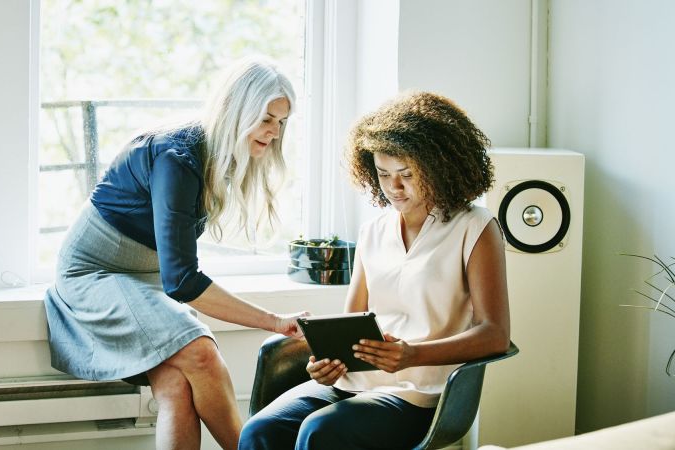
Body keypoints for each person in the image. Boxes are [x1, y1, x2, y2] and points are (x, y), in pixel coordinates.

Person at [43, 57, 306, 450]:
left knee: (174, 384)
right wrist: (274, 321)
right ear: (237, 110)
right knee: (201, 353)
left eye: (282, 122)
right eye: (267, 119)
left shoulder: (214, 154)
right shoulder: (176, 156)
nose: (275, 132)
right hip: (93, 276)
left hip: (143, 280)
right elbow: (182, 280)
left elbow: (173, 270)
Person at [238, 91, 511, 450]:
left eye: (407, 175)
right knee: (259, 431)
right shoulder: (374, 231)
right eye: (383, 174)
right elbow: (350, 324)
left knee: (320, 432)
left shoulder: (475, 227)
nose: (394, 187)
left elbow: (495, 335)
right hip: (356, 383)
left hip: (420, 393)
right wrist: (327, 363)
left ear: (439, 168)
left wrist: (413, 354)